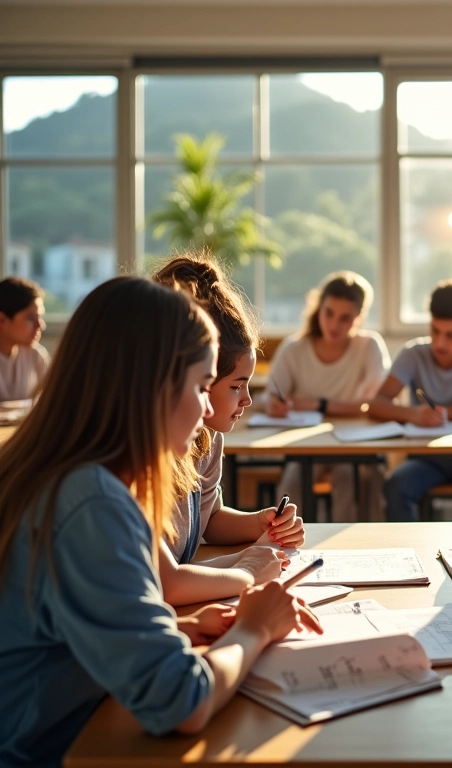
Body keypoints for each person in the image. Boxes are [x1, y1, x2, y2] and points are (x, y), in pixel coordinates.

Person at [0, 276, 321, 768]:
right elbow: (180, 702)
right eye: (199, 385)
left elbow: (67, 632)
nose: (203, 411)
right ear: (151, 387)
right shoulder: (92, 502)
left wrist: (181, 626)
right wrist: (254, 629)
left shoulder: (66, 474)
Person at [153, 253, 306, 606]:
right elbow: (166, 580)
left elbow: (207, 520)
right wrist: (247, 569)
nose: (248, 400)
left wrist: (259, 525)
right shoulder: (134, 458)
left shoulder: (206, 437)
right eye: (236, 386)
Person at [368, 279, 452, 522]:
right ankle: (408, 555)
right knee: (396, 488)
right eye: (435, 331)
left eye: (451, 335)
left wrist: (444, 413)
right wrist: (413, 414)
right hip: (427, 457)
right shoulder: (412, 353)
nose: (440, 343)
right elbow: (375, 405)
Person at [266, 270, 390, 521]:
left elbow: (375, 404)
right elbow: (269, 396)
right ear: (317, 308)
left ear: (359, 318)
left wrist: (318, 405)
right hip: (306, 445)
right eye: (329, 313)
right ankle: (289, 549)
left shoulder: (369, 346)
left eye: (345, 318)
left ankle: (351, 552)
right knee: (293, 484)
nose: (335, 325)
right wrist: (274, 405)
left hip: (356, 444)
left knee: (352, 479)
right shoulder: (294, 348)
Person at [0, 276, 50, 402]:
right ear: (2, 320)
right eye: (31, 318)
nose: (40, 325)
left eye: (40, 317)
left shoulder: (36, 355)